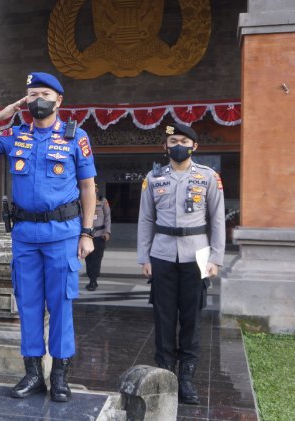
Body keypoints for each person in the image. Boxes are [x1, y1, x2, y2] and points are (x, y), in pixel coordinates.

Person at [0, 72, 96, 403]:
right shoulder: (14, 135)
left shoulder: (75, 137)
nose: (37, 99)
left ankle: (60, 376)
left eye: (44, 93)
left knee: (61, 305)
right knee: (29, 304)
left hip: (63, 234)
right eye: (32, 93)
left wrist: (87, 232)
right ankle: (33, 373)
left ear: (58, 100)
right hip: (25, 236)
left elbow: (87, 187)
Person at [137, 122, 225, 405]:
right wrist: (144, 257)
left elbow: (218, 219)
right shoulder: (153, 178)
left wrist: (216, 258)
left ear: (194, 146)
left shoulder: (209, 177)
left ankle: (186, 378)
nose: (178, 145)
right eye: (173, 140)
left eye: (184, 141)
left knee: (191, 318)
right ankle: (164, 373)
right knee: (163, 317)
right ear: (165, 145)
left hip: (196, 255)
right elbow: (146, 220)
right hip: (162, 254)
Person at [85, 185, 111, 291]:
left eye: (94, 189)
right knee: (88, 259)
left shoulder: (103, 201)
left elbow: (108, 217)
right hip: (87, 235)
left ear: (96, 190)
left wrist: (107, 232)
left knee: (97, 258)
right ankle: (91, 278)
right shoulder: (83, 200)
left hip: (100, 235)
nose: (93, 191)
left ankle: (93, 280)